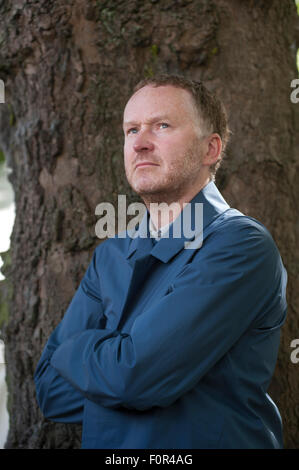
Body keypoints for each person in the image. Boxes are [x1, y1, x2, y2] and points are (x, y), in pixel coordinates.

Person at [34, 75, 287, 449]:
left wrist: (77, 351)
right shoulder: (111, 254)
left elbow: (134, 378)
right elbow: (51, 390)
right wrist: (134, 374)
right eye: (131, 129)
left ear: (211, 149)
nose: (140, 143)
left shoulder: (241, 245)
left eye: (162, 126)